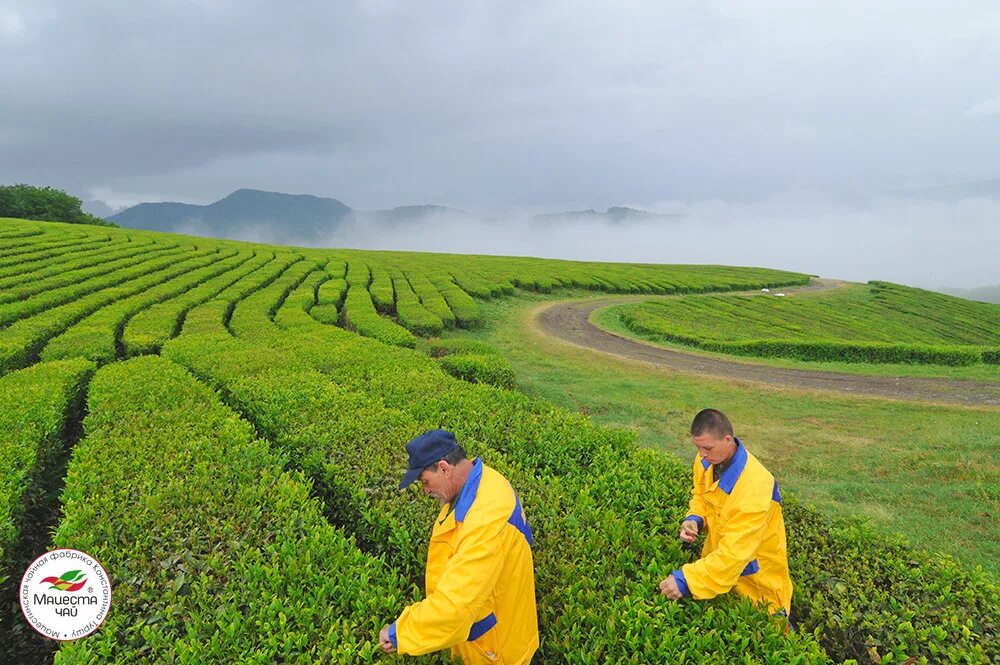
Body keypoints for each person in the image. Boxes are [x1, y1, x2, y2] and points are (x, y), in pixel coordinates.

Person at [379, 429, 539, 664]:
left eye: (425, 481)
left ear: (444, 468)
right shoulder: (484, 481)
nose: (425, 491)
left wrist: (398, 633)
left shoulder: (485, 520)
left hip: (494, 650)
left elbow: (455, 606)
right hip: (494, 626)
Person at [658, 409, 793, 620]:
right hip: (718, 571)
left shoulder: (755, 486)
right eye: (698, 447)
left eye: (707, 447)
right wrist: (694, 519)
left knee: (770, 630)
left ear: (728, 440)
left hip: (756, 580)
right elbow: (701, 496)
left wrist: (686, 580)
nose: (701, 453)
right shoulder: (706, 462)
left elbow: (735, 554)